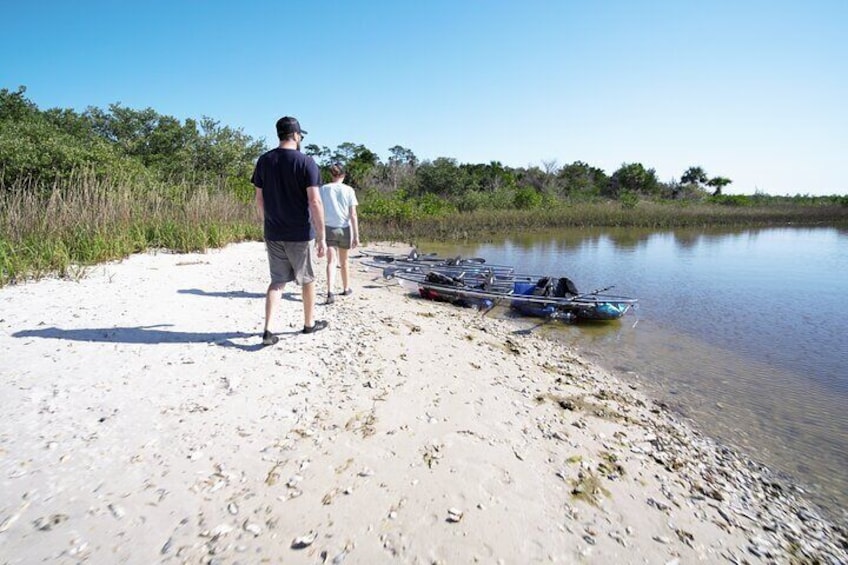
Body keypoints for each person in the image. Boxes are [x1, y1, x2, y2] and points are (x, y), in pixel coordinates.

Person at [252, 116, 328, 345]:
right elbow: (315, 202)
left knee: (277, 281)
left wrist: (270, 221)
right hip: (299, 233)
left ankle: (267, 330)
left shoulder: (264, 161)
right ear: (295, 135)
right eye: (300, 135)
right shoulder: (306, 162)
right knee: (307, 280)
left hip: (273, 231)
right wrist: (322, 236)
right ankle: (308, 324)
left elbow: (259, 199)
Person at [320, 163, 360, 304]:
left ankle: (330, 291)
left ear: (332, 174)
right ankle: (346, 288)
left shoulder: (323, 189)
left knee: (331, 261)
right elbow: (353, 214)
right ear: (344, 175)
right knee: (344, 261)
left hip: (328, 228)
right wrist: (356, 235)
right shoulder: (349, 190)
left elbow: (318, 209)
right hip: (344, 228)